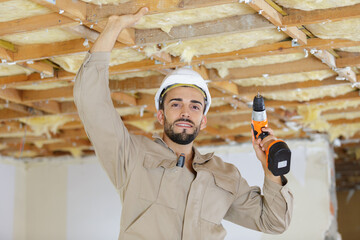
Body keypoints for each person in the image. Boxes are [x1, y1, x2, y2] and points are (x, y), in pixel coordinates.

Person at [73, 7, 293, 240]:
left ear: (203, 120)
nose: (186, 112)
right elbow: (91, 100)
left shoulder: (224, 175)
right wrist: (114, 27)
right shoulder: (130, 155)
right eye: (176, 104)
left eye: (195, 106)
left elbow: (274, 223)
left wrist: (272, 172)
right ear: (161, 115)